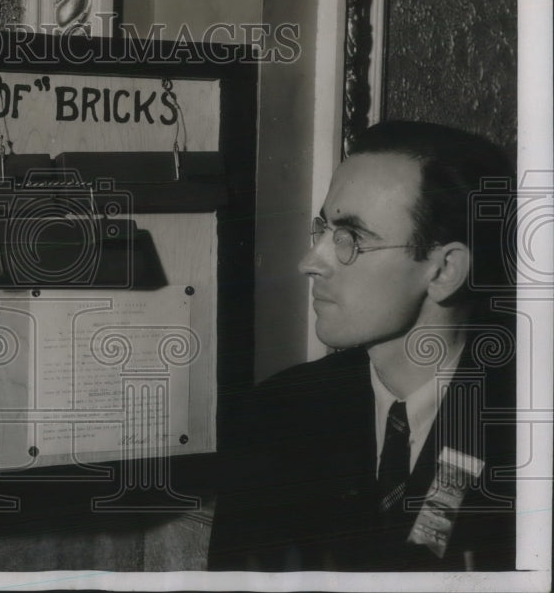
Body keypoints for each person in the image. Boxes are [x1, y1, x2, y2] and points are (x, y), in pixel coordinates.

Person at [207, 120, 517, 571]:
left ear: (445, 270)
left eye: (352, 238)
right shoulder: (276, 413)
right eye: (325, 230)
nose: (311, 262)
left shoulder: (527, 426)